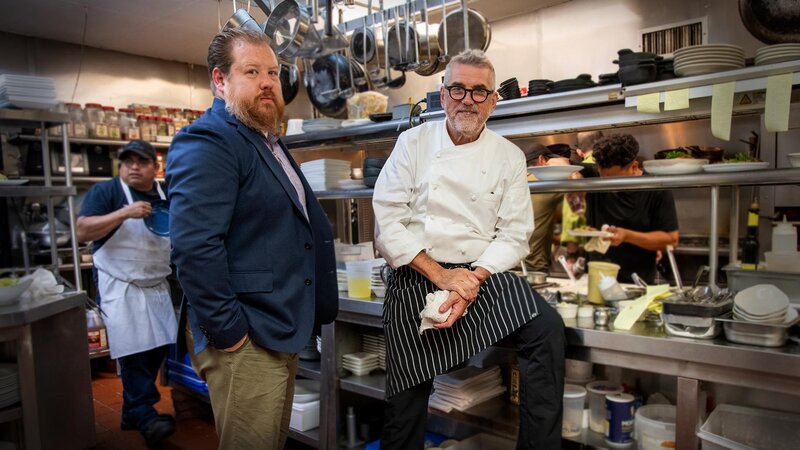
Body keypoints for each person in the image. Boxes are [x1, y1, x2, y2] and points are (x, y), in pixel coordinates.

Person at [373, 49, 566, 450]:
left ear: (493, 101)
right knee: (406, 397)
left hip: (481, 274)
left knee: (546, 329)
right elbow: (387, 222)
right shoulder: (412, 144)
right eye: (458, 88)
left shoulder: (509, 156)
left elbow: (515, 234)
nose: (468, 99)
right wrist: (442, 276)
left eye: (480, 91)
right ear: (442, 95)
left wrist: (471, 279)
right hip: (418, 271)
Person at [166, 27, 338, 450]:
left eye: (273, 73)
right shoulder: (210, 140)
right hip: (247, 337)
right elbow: (194, 248)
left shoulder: (265, 139)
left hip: (277, 325)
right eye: (252, 71)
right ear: (220, 80)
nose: (267, 82)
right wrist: (231, 334)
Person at [76, 139, 176, 448]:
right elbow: (82, 230)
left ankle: (131, 412)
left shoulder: (166, 193)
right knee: (133, 353)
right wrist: (123, 214)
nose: (134, 166)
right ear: (121, 165)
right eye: (128, 161)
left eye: (142, 161)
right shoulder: (107, 192)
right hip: (121, 285)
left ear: (154, 167)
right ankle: (144, 415)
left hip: (157, 283)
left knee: (156, 349)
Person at [585, 133, 679, 283]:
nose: (608, 188)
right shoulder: (593, 178)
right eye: (604, 180)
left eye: (615, 182)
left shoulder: (656, 188)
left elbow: (671, 240)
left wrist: (627, 236)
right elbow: (561, 165)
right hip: (596, 280)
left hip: (636, 283)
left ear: (634, 167)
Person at [522, 143, 569, 272]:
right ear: (541, 160)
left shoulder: (513, 182)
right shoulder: (546, 183)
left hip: (506, 265)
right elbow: (567, 165)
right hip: (534, 267)